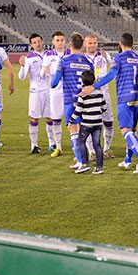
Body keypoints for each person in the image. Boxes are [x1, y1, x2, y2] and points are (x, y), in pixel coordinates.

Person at [82, 33, 138, 174]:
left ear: (120, 43)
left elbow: (111, 74)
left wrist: (93, 87)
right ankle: (127, 160)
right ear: (133, 43)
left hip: (125, 97)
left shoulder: (118, 58)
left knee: (125, 130)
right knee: (132, 130)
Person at [51, 32, 93, 171]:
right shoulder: (88, 63)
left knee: (73, 130)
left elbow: (54, 83)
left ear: (70, 45)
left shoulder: (64, 60)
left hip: (71, 101)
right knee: (82, 130)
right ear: (82, 45)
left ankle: (81, 162)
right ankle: (82, 159)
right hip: (86, 101)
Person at [18, 33, 54, 154]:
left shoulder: (49, 56)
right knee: (35, 118)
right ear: (31, 45)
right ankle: (34, 145)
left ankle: (52, 143)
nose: (37, 44)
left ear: (42, 41)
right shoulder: (28, 58)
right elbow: (22, 77)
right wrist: (22, 67)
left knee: (50, 118)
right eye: (34, 42)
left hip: (49, 91)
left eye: (39, 41)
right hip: (36, 92)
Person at [69, 70, 107, 175]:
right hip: (98, 123)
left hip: (86, 123)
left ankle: (85, 164)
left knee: (81, 142)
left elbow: (78, 111)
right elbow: (104, 107)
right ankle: (99, 167)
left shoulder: (83, 95)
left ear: (83, 82)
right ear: (94, 81)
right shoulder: (99, 94)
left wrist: (71, 121)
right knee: (97, 145)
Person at [84, 35, 115, 158]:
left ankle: (106, 149)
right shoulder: (82, 59)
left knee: (109, 122)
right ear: (85, 45)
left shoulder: (102, 56)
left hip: (104, 94)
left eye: (94, 43)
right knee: (89, 123)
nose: (92, 45)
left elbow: (113, 65)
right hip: (89, 95)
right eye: (90, 43)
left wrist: (106, 56)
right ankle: (91, 151)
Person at [43, 31, 69, 157]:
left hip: (70, 91)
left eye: (62, 40)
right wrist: (46, 71)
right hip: (55, 92)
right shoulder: (48, 55)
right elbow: (43, 74)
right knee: (56, 120)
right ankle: (58, 147)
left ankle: (78, 146)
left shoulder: (70, 54)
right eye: (57, 40)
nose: (60, 42)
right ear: (53, 42)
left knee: (74, 121)